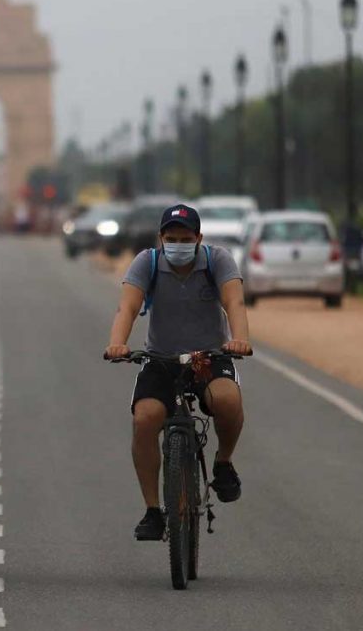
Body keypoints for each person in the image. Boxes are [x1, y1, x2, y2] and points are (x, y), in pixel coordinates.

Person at [104, 204, 251, 541]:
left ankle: (224, 463)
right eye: (171, 238)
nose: (178, 245)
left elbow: (235, 303)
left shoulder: (218, 260)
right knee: (144, 419)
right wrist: (117, 343)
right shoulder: (148, 262)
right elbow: (127, 306)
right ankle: (153, 510)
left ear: (199, 238)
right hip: (160, 358)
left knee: (227, 401)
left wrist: (240, 339)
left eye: (186, 239)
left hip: (208, 357)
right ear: (161, 238)